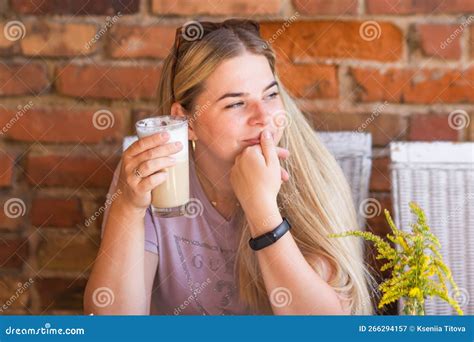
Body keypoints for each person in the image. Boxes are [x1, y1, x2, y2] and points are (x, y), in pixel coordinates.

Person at [84, 19, 374, 315]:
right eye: (236, 104)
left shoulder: (310, 177)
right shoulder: (155, 177)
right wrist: (128, 208)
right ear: (186, 121)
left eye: (270, 95)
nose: (263, 117)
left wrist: (262, 210)